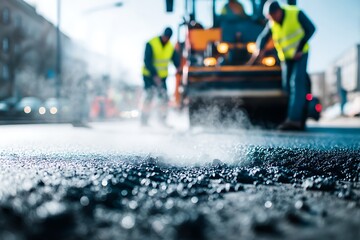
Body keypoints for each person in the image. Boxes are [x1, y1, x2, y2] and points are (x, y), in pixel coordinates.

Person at [249, 0, 316, 131]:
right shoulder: (272, 23)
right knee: (287, 87)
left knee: (296, 82)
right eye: (270, 17)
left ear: (278, 11)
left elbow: (311, 29)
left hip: (300, 55)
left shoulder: (295, 13)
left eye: (273, 16)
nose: (272, 19)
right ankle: (290, 117)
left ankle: (295, 120)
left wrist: (300, 48)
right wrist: (255, 58)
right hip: (286, 58)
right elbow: (262, 39)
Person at [141, 27, 180, 126]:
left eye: (168, 37)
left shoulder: (170, 48)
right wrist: (154, 75)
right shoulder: (151, 43)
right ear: (162, 35)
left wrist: (179, 68)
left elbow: (176, 61)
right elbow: (147, 61)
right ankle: (144, 121)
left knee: (164, 98)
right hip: (149, 76)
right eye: (165, 36)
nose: (166, 39)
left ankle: (162, 120)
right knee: (149, 96)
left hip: (162, 78)